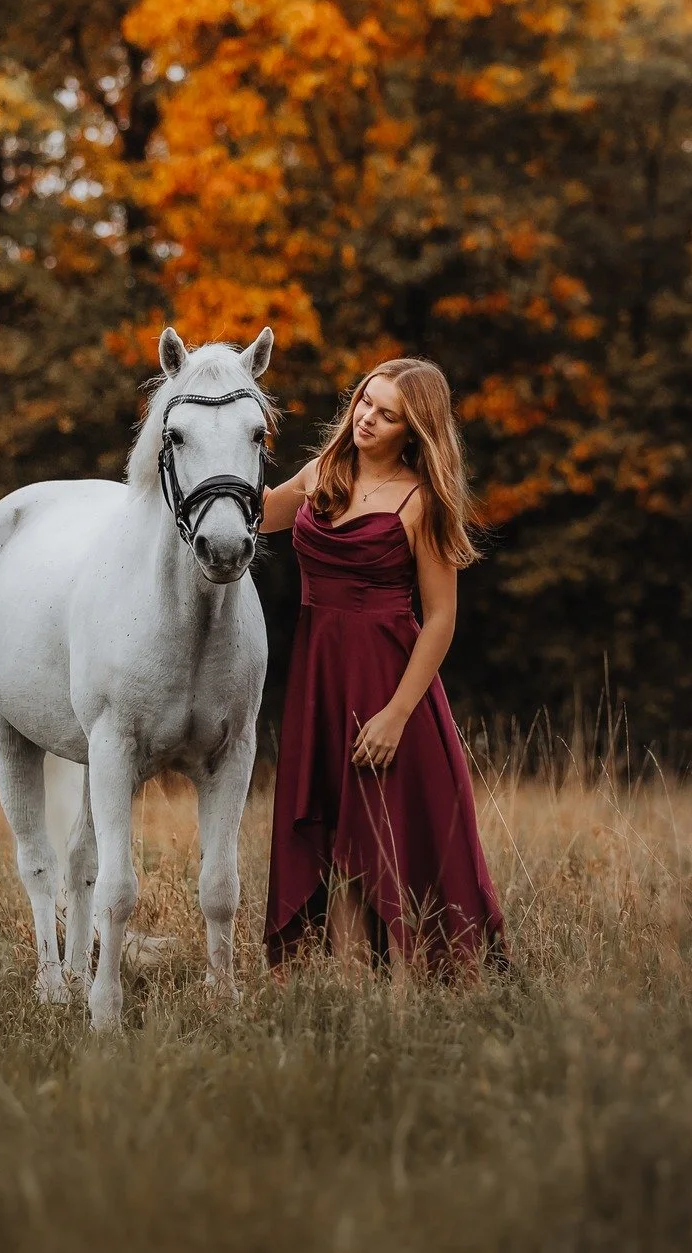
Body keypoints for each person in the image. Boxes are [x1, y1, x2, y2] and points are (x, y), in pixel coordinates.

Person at [257, 357, 507, 974]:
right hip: (319, 679)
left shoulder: (422, 503)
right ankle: (350, 993)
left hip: (388, 683)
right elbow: (258, 515)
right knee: (335, 836)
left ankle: (409, 995)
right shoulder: (322, 474)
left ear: (413, 430)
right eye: (365, 402)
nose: (367, 418)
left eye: (387, 413)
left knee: (387, 837)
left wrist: (397, 714)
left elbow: (441, 618)